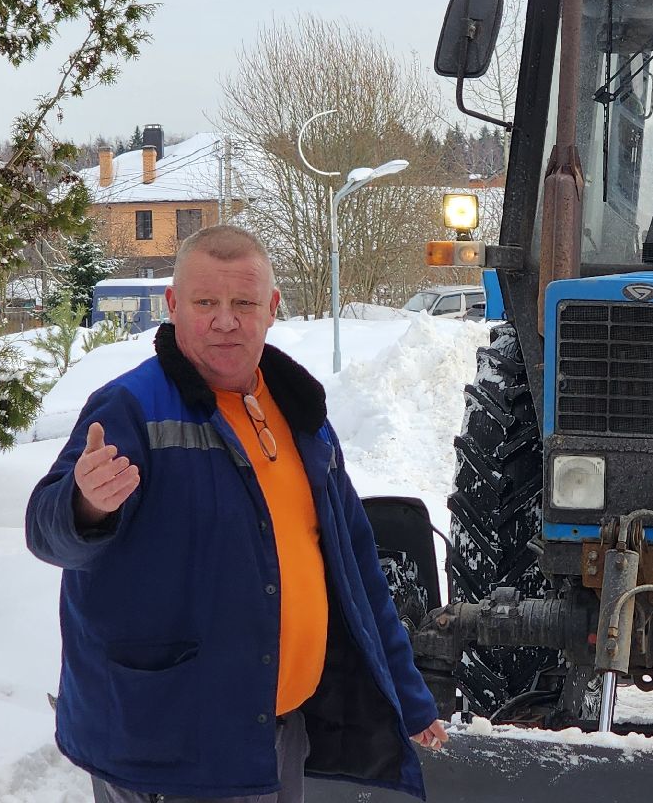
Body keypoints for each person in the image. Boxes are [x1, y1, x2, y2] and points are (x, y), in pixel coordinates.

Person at [26, 226, 447, 803]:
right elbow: (46, 531)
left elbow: (357, 570)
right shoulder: (131, 407)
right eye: (206, 303)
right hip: (169, 745)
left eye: (243, 303)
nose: (225, 321)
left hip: (276, 732)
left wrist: (408, 695)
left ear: (272, 308)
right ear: (173, 305)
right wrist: (86, 504)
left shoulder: (299, 414)